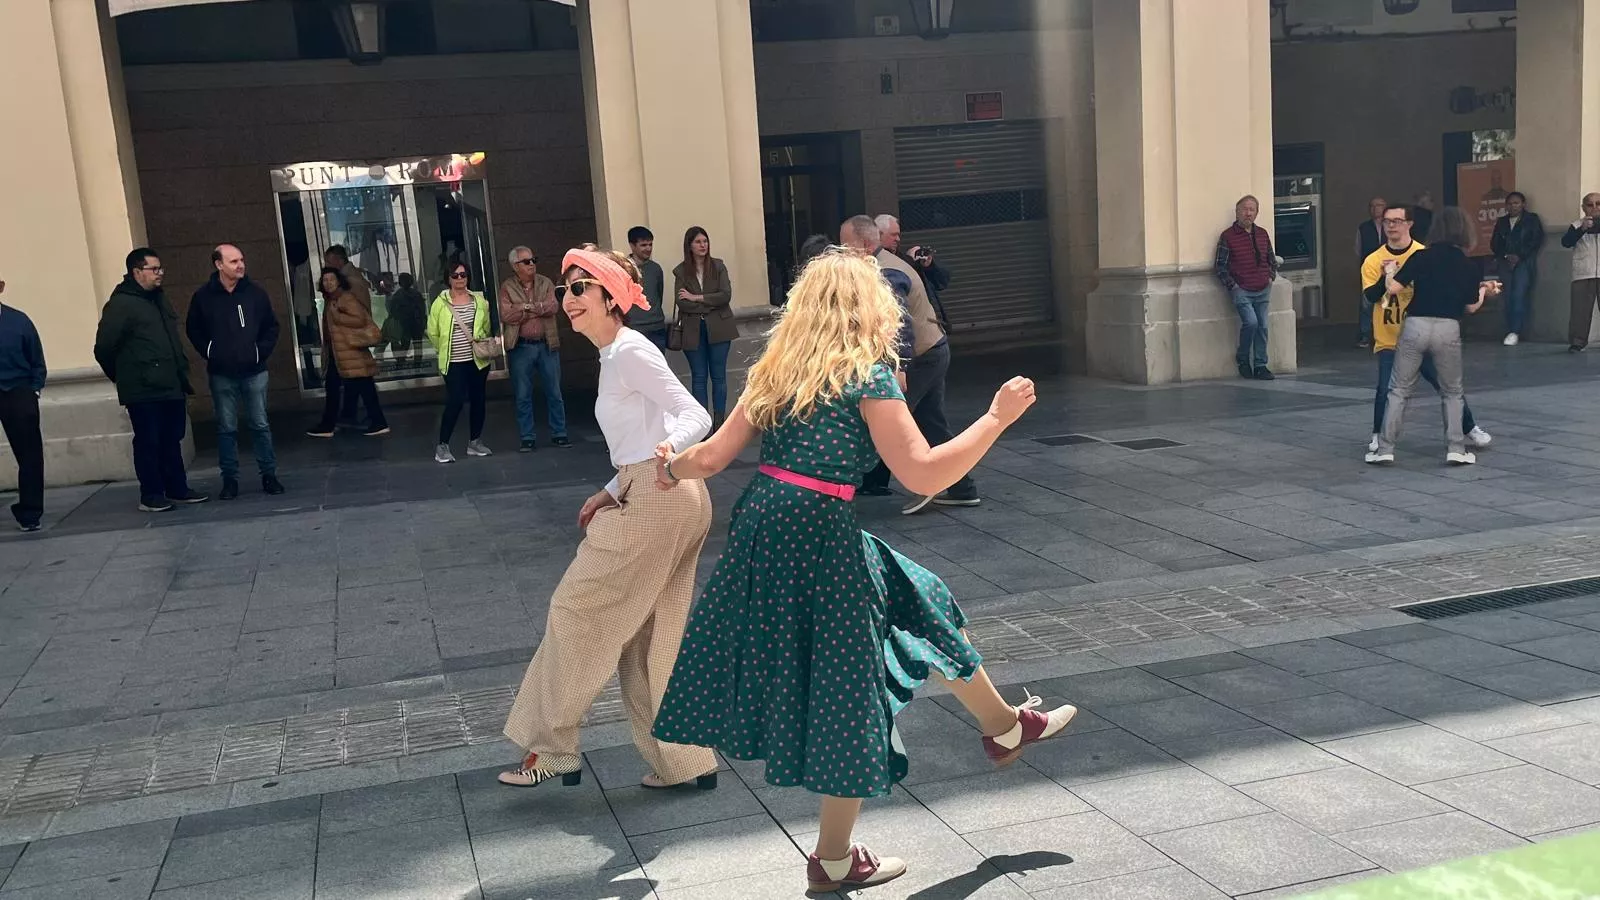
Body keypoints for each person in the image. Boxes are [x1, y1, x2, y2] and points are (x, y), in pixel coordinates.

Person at [650, 249, 1077, 893]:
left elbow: (709, 459)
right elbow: (922, 474)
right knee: (845, 689)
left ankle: (1004, 726)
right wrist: (995, 419)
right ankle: (833, 858)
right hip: (822, 530)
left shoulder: (774, 371)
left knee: (920, 598)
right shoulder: (868, 373)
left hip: (767, 525)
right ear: (868, 307)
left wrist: (669, 466)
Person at [499, 245, 718, 792]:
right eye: (565, 289)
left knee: (574, 611)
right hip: (662, 494)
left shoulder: (628, 352)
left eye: (579, 289)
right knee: (650, 638)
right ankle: (686, 762)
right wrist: (610, 487)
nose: (565, 299)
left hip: (657, 496)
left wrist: (667, 454)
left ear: (610, 297)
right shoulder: (618, 353)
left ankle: (553, 749)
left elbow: (695, 413)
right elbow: (641, 437)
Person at [850, 215, 978, 513]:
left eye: (846, 244)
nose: (841, 251)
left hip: (922, 357)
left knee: (899, 424)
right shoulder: (880, 266)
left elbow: (899, 324)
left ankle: (926, 482)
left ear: (866, 244)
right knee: (931, 422)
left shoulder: (886, 272)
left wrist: (901, 366)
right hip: (932, 350)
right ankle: (962, 488)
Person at [1367, 207, 1500, 467]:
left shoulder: (1421, 256)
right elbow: (1471, 306)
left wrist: (1391, 271)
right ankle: (1455, 449)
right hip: (1448, 328)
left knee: (1399, 390)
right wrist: (1486, 291)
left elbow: (1393, 288)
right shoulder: (1469, 264)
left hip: (1415, 325)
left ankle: (1385, 448)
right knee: (1452, 392)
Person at [93, 248, 208, 512]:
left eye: (160, 269)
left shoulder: (159, 299)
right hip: (142, 389)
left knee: (172, 439)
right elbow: (104, 348)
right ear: (136, 272)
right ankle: (152, 494)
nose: (160, 274)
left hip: (170, 384)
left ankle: (177, 488)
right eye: (153, 269)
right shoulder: (121, 304)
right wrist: (123, 376)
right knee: (148, 442)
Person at [185, 244, 284, 500]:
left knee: (260, 424)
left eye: (241, 259)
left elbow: (271, 327)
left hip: (254, 371)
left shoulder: (255, 294)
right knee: (226, 428)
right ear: (219, 265)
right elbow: (193, 329)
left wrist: (258, 353)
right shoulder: (203, 296)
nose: (240, 265)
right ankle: (230, 480)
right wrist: (210, 351)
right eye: (233, 261)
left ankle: (269, 475)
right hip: (221, 373)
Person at [499, 246, 570, 452]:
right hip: (521, 347)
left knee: (554, 392)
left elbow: (553, 307)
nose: (532, 264)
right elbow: (507, 315)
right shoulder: (507, 287)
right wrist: (535, 309)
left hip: (547, 343)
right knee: (523, 395)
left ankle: (559, 433)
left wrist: (524, 308)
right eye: (527, 261)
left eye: (533, 259)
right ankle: (527, 437)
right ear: (515, 266)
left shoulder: (546, 282)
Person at [308, 267, 389, 438]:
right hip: (340, 353)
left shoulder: (343, 298)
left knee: (362, 387)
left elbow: (359, 318)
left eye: (331, 279)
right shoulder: (332, 299)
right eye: (325, 280)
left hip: (350, 353)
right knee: (353, 387)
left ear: (339, 281)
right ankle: (336, 422)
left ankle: (374, 422)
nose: (328, 283)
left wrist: (338, 316)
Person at [426, 262, 493, 463]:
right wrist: (444, 349)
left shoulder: (479, 301)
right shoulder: (440, 303)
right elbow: (433, 332)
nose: (459, 278)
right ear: (448, 279)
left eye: (463, 274)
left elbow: (486, 327)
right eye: (455, 275)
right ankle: (442, 445)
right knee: (455, 400)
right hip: (453, 361)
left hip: (477, 361)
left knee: (478, 400)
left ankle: (475, 441)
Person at [671, 226, 737, 429]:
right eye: (698, 242)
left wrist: (697, 297)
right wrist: (708, 302)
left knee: (719, 376)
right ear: (689, 245)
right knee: (699, 377)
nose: (703, 246)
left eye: (705, 241)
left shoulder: (718, 267)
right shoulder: (681, 271)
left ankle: (719, 421)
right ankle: (702, 423)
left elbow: (725, 295)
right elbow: (682, 302)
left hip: (719, 327)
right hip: (693, 329)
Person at [1214, 195, 1279, 380]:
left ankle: (1260, 365)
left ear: (1257, 213)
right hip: (1241, 288)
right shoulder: (1227, 236)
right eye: (1244, 209)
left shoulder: (1263, 234)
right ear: (1237, 212)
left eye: (1252, 210)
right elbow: (1220, 265)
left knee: (1263, 327)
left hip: (1263, 287)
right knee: (1251, 323)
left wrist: (1270, 277)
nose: (1248, 213)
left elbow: (1271, 259)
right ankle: (1243, 358)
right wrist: (1232, 286)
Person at [0, 277, 46, 532]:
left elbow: (36, 358)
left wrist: (34, 389)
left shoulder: (18, 321)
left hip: (18, 391)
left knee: (29, 454)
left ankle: (30, 512)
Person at [1490, 191, 1544, 346]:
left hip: (1524, 262)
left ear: (1523, 204)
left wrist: (1520, 256)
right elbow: (1494, 243)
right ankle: (1509, 329)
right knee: (1506, 296)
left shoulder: (1531, 219)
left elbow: (1536, 240)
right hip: (1505, 262)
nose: (1513, 206)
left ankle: (1515, 330)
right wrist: (1505, 255)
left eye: (1516, 203)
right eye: (1510, 203)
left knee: (1519, 294)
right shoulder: (1502, 222)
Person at [877, 214, 952, 327]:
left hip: (930, 325)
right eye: (893, 235)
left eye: (898, 234)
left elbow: (941, 282)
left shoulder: (905, 258)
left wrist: (929, 266)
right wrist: (910, 261)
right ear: (879, 235)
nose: (898, 239)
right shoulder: (875, 263)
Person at [1563, 192, 1600, 351]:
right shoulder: (1576, 225)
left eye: (1598, 204)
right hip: (1583, 273)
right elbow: (1566, 242)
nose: (1595, 208)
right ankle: (1577, 342)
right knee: (1580, 311)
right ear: (1583, 208)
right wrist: (1582, 229)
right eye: (1590, 205)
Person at [626, 227, 670, 350]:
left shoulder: (655, 268)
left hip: (657, 328)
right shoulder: (623, 269)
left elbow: (658, 295)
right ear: (632, 246)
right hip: (634, 329)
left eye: (650, 244)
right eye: (643, 245)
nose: (648, 249)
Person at [1356, 197, 1388, 348]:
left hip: (1389, 270)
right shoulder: (1363, 228)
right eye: (1372, 206)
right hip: (1370, 271)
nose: (1376, 208)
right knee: (1366, 303)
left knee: (1387, 303)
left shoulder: (1391, 225)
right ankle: (1365, 335)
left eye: (1379, 205)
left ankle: (1385, 335)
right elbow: (1358, 249)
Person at [385, 272, 428, 367]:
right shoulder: (417, 294)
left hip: (404, 324)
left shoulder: (397, 295)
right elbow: (422, 310)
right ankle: (417, 363)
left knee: (405, 344)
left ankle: (401, 361)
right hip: (416, 324)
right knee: (417, 345)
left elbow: (392, 311)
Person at [324, 244, 372, 312]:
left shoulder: (351, 280)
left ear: (340, 261)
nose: (326, 266)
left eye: (329, 262)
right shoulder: (349, 277)